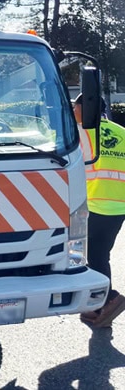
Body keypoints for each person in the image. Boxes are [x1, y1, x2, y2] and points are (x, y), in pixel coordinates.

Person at [74, 93, 125, 328]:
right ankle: (98, 306)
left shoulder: (81, 133)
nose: (73, 111)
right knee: (98, 254)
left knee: (92, 256)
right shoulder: (121, 132)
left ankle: (108, 299)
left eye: (76, 107)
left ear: (87, 108)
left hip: (96, 203)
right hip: (119, 205)